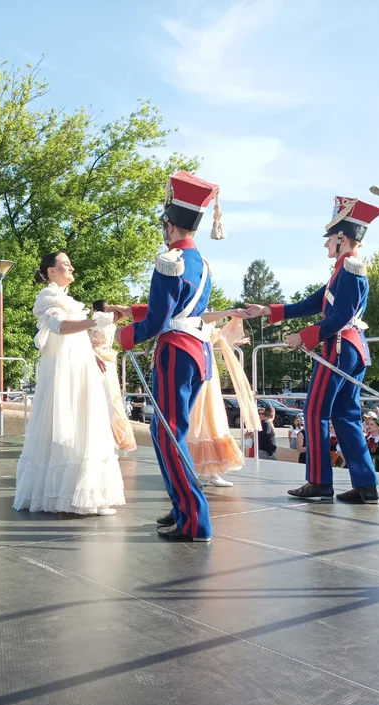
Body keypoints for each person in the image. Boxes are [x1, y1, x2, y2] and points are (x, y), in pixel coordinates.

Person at [245, 196, 379, 504]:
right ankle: (366, 485)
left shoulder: (349, 269)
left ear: (341, 237)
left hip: (338, 346)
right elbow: (310, 304)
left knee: (314, 412)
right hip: (353, 348)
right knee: (345, 415)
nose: (325, 246)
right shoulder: (343, 270)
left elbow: (340, 317)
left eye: (329, 239)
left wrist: (303, 337)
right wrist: (267, 310)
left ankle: (320, 482)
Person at [110, 170, 223, 541]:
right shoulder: (199, 263)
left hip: (175, 351)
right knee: (169, 431)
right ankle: (181, 506)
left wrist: (128, 335)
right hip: (196, 350)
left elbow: (161, 318)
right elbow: (180, 307)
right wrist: (132, 310)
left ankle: (194, 519)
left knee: (169, 433)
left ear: (170, 224)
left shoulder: (168, 260)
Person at [13, 252, 125, 516]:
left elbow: (76, 334)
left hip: (80, 365)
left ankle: (88, 494)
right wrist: (97, 321)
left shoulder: (69, 300)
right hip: (63, 370)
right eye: (65, 264)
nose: (71, 266)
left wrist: (92, 353)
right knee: (63, 422)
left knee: (85, 422)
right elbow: (59, 327)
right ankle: (60, 495)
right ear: (51, 272)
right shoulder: (47, 297)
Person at [187, 313, 259, 485]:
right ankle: (193, 469)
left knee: (213, 419)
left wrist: (238, 341)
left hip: (209, 374)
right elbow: (205, 319)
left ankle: (212, 471)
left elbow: (221, 337)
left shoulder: (207, 325)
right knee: (197, 419)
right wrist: (228, 312)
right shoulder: (192, 318)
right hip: (196, 372)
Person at [89, 300, 137, 452]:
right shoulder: (111, 324)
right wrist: (114, 309)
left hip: (97, 358)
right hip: (108, 360)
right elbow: (121, 315)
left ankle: (102, 436)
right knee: (112, 397)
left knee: (98, 397)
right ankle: (113, 437)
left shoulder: (96, 322)